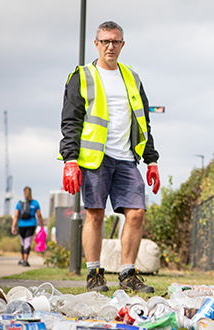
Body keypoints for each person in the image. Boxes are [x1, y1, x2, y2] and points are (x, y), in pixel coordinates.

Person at [59, 21, 160, 293]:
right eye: (105, 41)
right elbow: (70, 121)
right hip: (95, 158)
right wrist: (70, 160)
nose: (110, 46)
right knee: (95, 214)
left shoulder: (132, 77)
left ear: (122, 44)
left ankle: (128, 274)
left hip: (127, 157)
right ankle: (94, 274)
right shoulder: (82, 76)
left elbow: (143, 122)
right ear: (96, 44)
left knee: (136, 212)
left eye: (115, 41)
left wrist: (151, 160)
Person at [11, 187, 45, 267]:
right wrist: (42, 223)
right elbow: (39, 215)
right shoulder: (35, 203)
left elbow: (16, 216)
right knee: (27, 242)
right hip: (31, 224)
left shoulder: (19, 203)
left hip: (21, 225)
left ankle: (22, 259)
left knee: (22, 242)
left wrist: (13, 226)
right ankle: (25, 260)